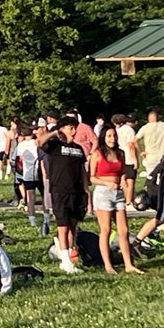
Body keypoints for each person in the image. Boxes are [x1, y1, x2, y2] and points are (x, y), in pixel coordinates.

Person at [38, 116, 90, 274]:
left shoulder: (78, 149)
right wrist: (54, 133)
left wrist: (87, 192)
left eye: (75, 128)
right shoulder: (54, 145)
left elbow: (82, 172)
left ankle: (70, 256)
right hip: (60, 191)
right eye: (70, 127)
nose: (74, 131)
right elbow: (39, 142)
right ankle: (65, 260)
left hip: (77, 192)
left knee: (73, 225)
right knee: (63, 226)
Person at [89, 126, 142, 274]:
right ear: (103, 138)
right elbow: (92, 177)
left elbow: (121, 172)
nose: (112, 139)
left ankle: (128, 265)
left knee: (124, 230)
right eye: (109, 136)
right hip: (103, 193)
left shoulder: (120, 154)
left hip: (118, 193)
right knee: (106, 230)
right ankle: (108, 265)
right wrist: (107, 183)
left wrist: (123, 179)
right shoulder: (98, 154)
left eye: (114, 136)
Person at [135, 109, 164, 177]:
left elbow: (135, 140)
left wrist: (141, 152)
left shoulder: (145, 128)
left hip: (150, 156)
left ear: (149, 118)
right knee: (163, 177)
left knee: (150, 177)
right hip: (162, 155)